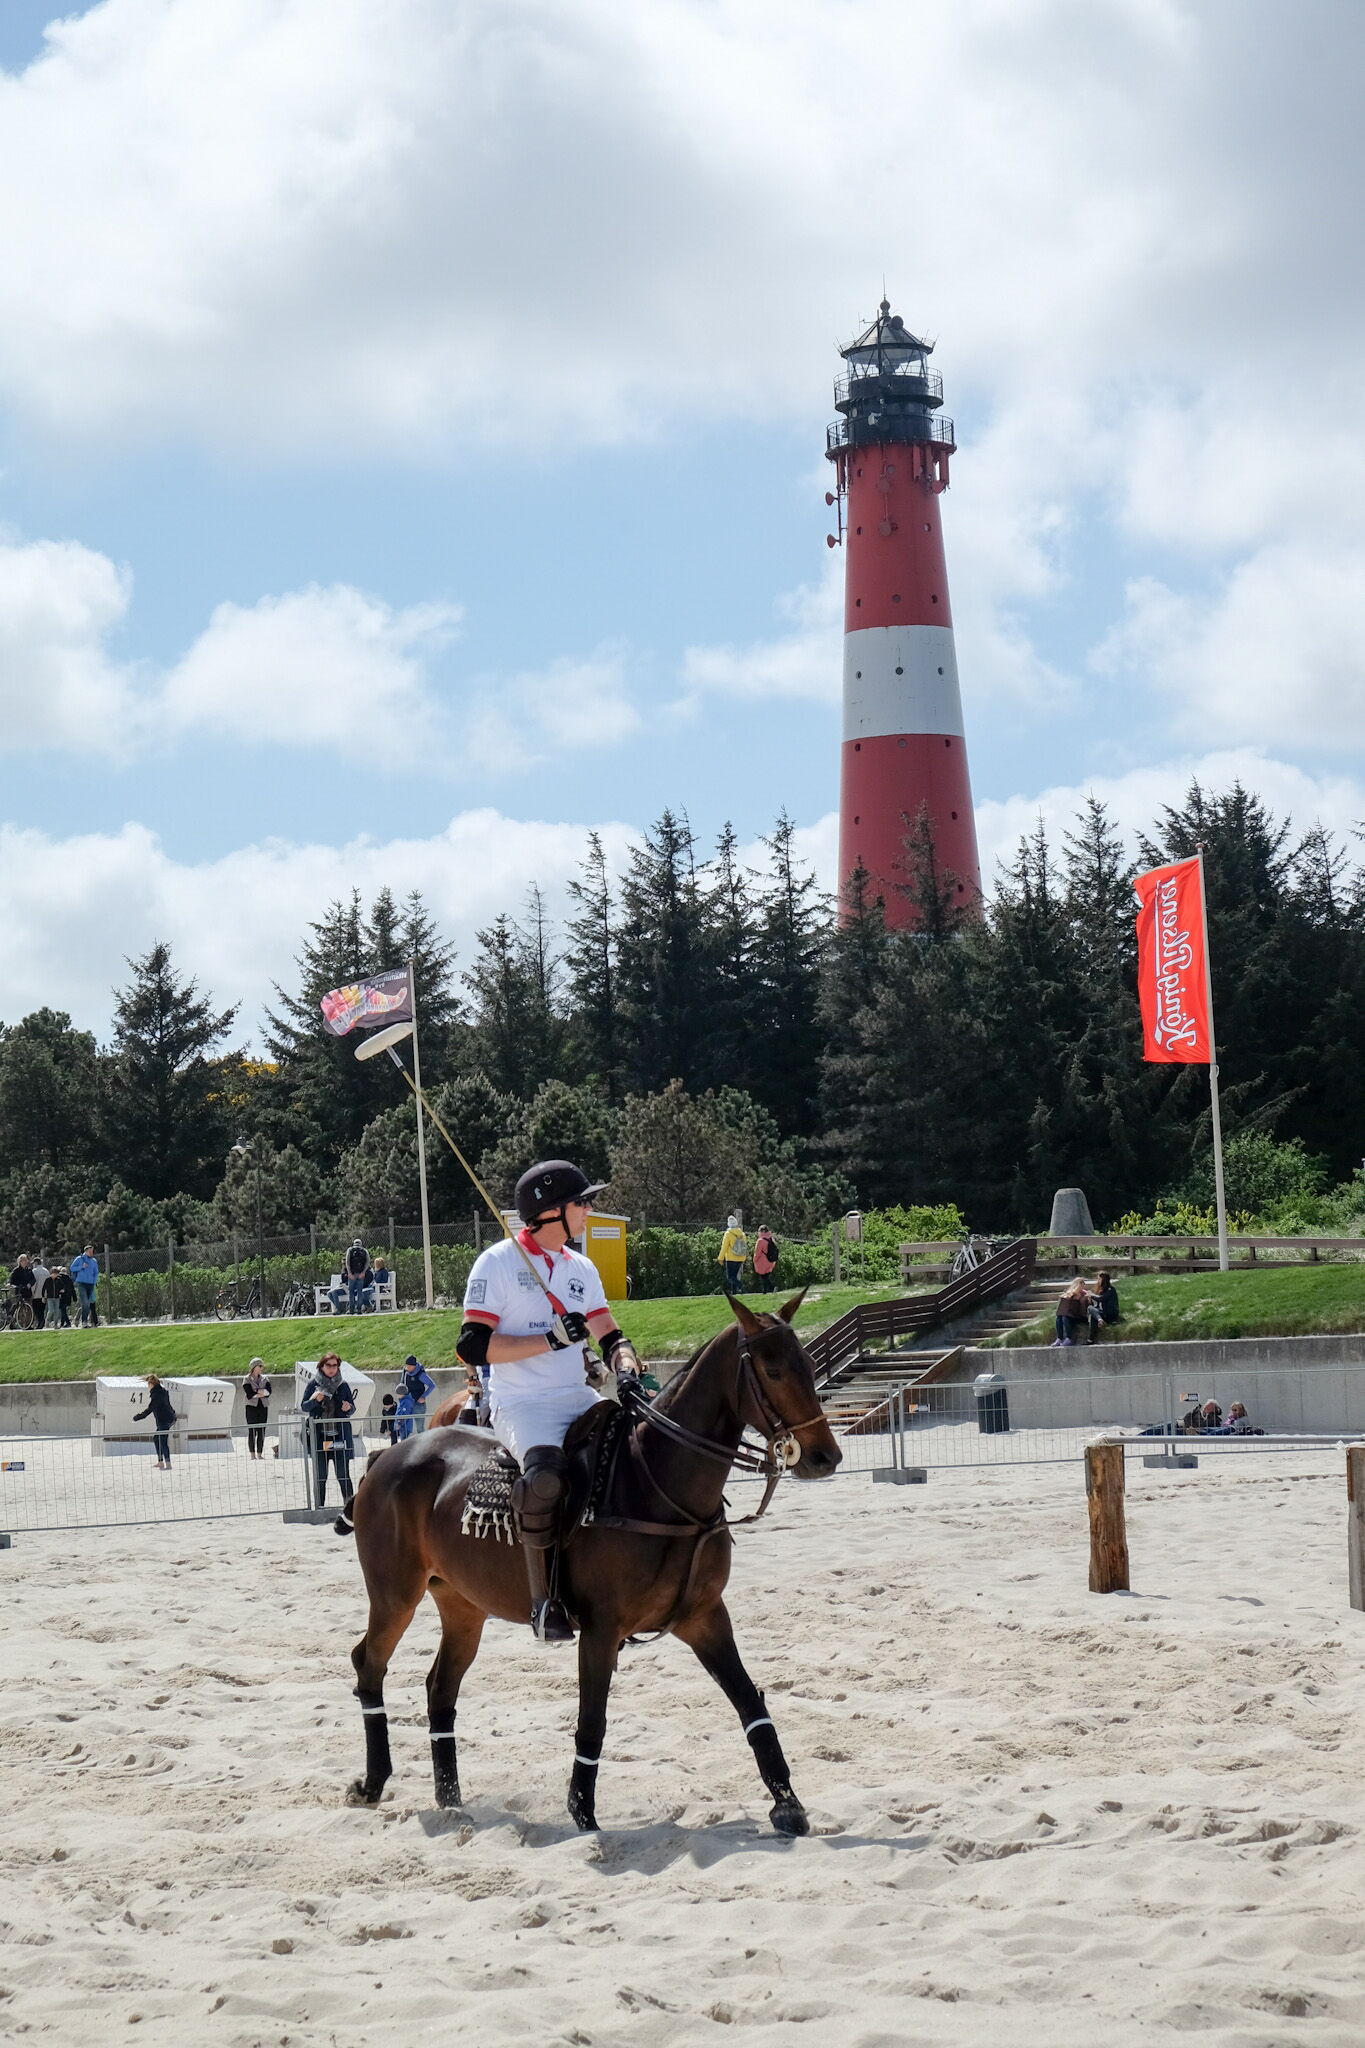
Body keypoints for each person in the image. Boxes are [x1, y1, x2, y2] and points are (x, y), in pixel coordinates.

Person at [456, 1158, 641, 1643]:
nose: (590, 1208)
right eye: (582, 1201)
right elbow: (472, 1345)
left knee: (635, 1451)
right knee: (542, 1480)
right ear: (553, 1212)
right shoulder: (497, 1263)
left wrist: (625, 1368)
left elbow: (609, 1332)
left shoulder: (580, 1267)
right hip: (521, 1402)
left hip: (577, 1396)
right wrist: (551, 1341)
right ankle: (544, 1604)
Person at [301, 1353, 357, 1514]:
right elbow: (304, 1407)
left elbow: (352, 1408)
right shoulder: (313, 1384)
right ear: (321, 1367)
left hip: (339, 1437)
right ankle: (319, 1508)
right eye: (329, 1365)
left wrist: (348, 1407)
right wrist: (315, 1401)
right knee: (321, 1476)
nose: (332, 1369)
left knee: (343, 1475)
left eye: (335, 1365)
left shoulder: (343, 1385)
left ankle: (350, 1510)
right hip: (320, 1438)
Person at [134, 1374, 178, 1469]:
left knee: (162, 1440)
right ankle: (161, 1461)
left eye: (148, 1384)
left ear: (151, 1384)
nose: (147, 1386)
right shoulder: (162, 1392)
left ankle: (168, 1463)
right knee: (156, 1438)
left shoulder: (157, 1395)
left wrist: (139, 1417)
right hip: (169, 1418)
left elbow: (150, 1408)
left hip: (164, 1419)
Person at [395, 1352, 435, 1439]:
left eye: (409, 1367)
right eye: (406, 1366)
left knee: (420, 1428)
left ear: (414, 1366)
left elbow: (432, 1385)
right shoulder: (405, 1372)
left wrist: (423, 1396)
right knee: (404, 1426)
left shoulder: (421, 1374)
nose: (407, 1368)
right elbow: (402, 1384)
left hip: (418, 1404)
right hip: (407, 1403)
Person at [243, 1358, 271, 1459]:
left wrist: (257, 1391)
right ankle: (252, 1454)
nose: (262, 1368)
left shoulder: (265, 1378)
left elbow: (268, 1393)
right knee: (252, 1430)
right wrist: (261, 1392)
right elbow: (249, 1394)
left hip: (263, 1406)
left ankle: (259, 1454)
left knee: (261, 1430)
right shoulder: (247, 1379)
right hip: (251, 1407)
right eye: (260, 1366)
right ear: (254, 1367)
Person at [1052, 1277, 1090, 1346]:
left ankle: (1069, 1338)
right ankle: (1060, 1338)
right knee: (1059, 1318)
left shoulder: (1084, 1294)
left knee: (1065, 1318)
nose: (1081, 1287)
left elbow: (1086, 1307)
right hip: (1071, 1314)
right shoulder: (1070, 1293)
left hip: (1080, 1316)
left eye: (1082, 1285)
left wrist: (1084, 1299)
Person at [1086, 1271, 1121, 1345]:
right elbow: (1098, 1305)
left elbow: (1101, 1299)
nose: (1098, 1281)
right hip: (1103, 1314)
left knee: (1092, 1311)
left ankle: (1099, 1320)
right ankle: (1090, 1339)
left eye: (1099, 1279)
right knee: (1092, 1313)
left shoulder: (1110, 1290)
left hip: (1110, 1314)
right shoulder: (1101, 1291)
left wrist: (1091, 1295)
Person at [70, 1245, 100, 1327]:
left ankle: (85, 1321)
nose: (91, 1253)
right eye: (90, 1251)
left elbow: (96, 1272)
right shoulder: (79, 1259)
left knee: (89, 1303)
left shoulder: (94, 1261)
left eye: (92, 1251)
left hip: (90, 1284)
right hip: (81, 1283)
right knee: (85, 1302)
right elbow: (72, 1268)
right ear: (85, 1251)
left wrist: (94, 1281)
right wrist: (81, 1267)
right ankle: (84, 1321)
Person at [718, 1215, 749, 1294]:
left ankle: (740, 1285)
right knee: (734, 1276)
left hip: (731, 1258)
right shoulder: (742, 1234)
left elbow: (724, 1247)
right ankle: (734, 1291)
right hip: (741, 1257)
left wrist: (720, 1258)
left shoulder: (728, 1234)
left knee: (730, 1276)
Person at [344, 1240, 371, 1315]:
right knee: (360, 1292)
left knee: (351, 1292)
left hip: (352, 1274)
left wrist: (349, 1273)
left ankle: (351, 1309)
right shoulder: (364, 1251)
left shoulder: (350, 1250)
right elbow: (367, 1262)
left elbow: (347, 1262)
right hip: (361, 1274)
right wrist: (363, 1272)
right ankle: (359, 1309)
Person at [8, 1254, 37, 1326]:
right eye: (23, 1261)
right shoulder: (16, 1271)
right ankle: (13, 1322)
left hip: (28, 1291)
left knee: (29, 1309)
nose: (25, 1262)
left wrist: (30, 1284)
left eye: (26, 1260)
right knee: (18, 1308)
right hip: (19, 1292)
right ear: (20, 1262)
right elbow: (12, 1281)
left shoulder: (29, 1270)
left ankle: (28, 1324)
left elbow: (33, 1279)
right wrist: (18, 1286)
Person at [752, 1226, 780, 1294]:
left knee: (763, 1276)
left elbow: (757, 1252)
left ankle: (772, 1287)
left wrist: (755, 1259)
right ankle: (764, 1291)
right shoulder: (771, 1238)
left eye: (759, 1231)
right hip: (771, 1260)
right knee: (766, 1276)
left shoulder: (760, 1241)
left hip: (763, 1261)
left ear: (763, 1231)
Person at [41, 1263, 64, 1329]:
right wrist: (43, 1296)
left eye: (56, 1274)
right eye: (54, 1274)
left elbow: (62, 1286)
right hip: (50, 1297)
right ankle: (47, 1321)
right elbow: (43, 1288)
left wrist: (62, 1290)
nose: (55, 1275)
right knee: (51, 1310)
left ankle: (56, 1324)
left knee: (57, 1311)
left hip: (56, 1297)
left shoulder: (58, 1280)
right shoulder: (48, 1280)